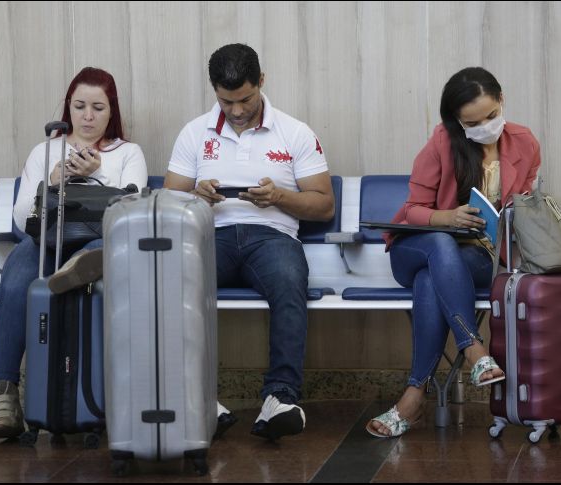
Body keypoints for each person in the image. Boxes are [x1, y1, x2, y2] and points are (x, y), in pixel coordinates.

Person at [164, 43, 335, 441]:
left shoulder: (295, 133)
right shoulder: (194, 133)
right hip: (211, 235)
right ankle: (197, 398)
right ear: (214, 90)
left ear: (262, 81)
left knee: (290, 282)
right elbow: (169, 200)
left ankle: (281, 397)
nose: (237, 110)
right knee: (171, 281)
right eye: (227, 102)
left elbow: (324, 205)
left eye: (245, 99)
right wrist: (196, 196)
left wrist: (280, 197)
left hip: (272, 237)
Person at [366, 67, 541, 438]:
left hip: (478, 258)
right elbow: (412, 209)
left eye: (492, 116)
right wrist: (448, 217)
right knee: (440, 245)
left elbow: (525, 209)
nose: (486, 126)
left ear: (502, 100)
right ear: (457, 121)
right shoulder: (442, 143)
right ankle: (474, 350)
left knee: (432, 281)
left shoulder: (525, 144)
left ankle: (413, 397)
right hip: (416, 249)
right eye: (473, 122)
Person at [0, 67, 148, 439]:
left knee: (97, 251)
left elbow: (134, 208)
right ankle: (5, 395)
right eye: (79, 107)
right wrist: (56, 179)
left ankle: (77, 273)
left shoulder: (128, 153)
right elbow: (20, 214)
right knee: (18, 274)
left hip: (99, 241)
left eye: (98, 108)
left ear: (112, 112)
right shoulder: (46, 150)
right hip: (46, 242)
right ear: (68, 109)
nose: (88, 117)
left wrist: (98, 176)